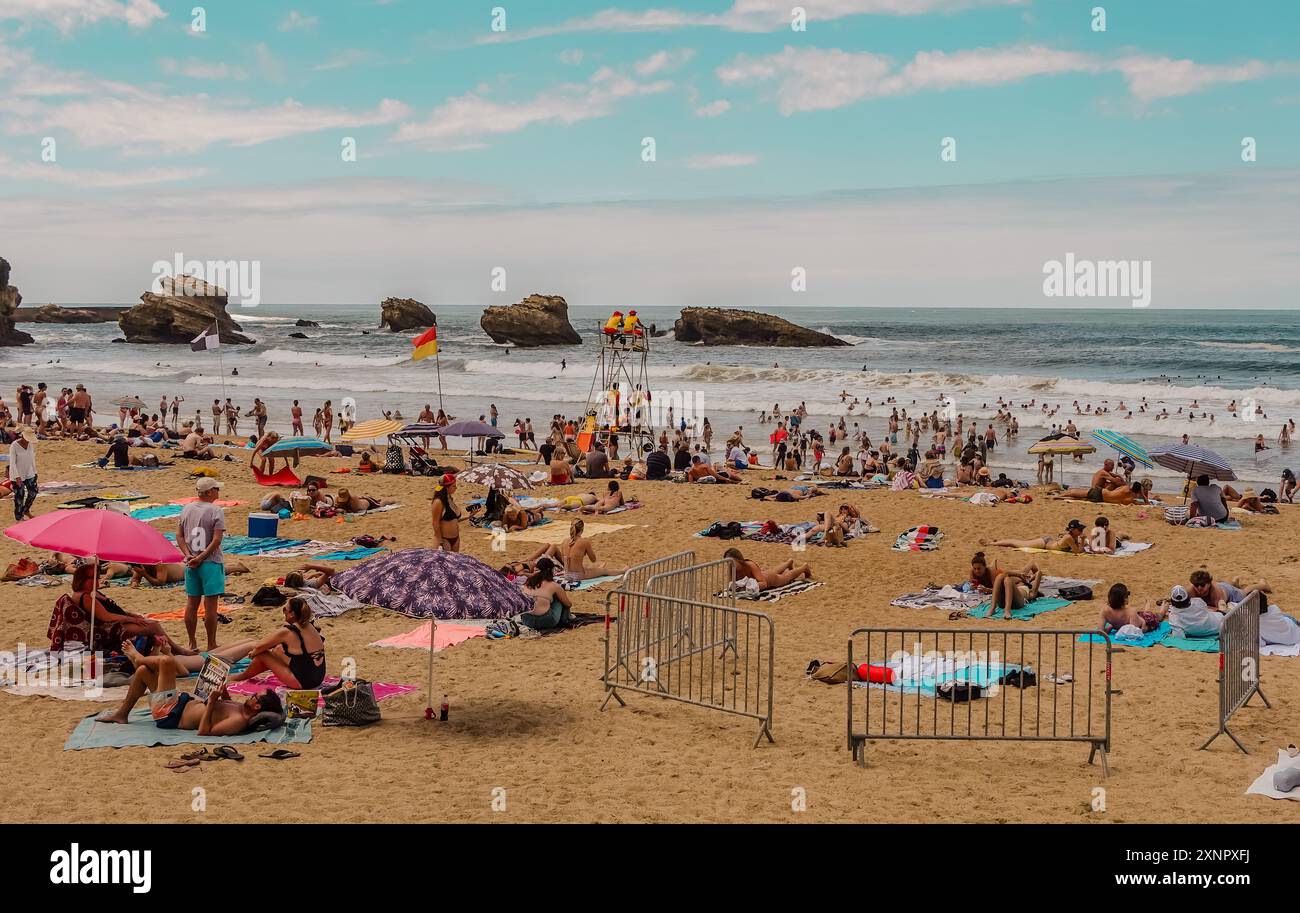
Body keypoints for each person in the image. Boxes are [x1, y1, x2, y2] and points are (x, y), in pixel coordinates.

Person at [96, 639, 281, 733]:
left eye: (255, 697)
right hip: (179, 703)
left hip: (170, 715)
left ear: (257, 706)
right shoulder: (241, 709)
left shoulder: (239, 720)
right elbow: (223, 707)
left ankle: (138, 657)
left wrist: (211, 703)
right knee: (144, 672)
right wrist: (222, 692)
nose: (251, 696)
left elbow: (205, 732)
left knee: (167, 661)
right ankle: (122, 714)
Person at [66, 564, 194, 654]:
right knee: (153, 626)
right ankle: (177, 650)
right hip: (109, 628)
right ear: (84, 579)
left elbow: (111, 610)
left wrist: (132, 615)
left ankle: (170, 649)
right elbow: (106, 617)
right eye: (94, 577)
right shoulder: (86, 596)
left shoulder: (91, 592)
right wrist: (131, 619)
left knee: (147, 622)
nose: (98, 578)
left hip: (114, 622)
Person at [227, 597, 327, 690]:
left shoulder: (288, 631)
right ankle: (248, 673)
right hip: (318, 677)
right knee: (277, 650)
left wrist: (254, 652)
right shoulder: (310, 626)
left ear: (292, 614)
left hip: (303, 682)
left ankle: (241, 676)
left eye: (285, 609)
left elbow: (259, 645)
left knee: (263, 654)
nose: (283, 612)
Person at [178, 477, 227, 652]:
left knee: (192, 603)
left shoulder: (186, 508)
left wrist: (188, 555)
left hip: (191, 562)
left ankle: (192, 642)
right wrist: (201, 556)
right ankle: (211, 643)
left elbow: (179, 536)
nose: (218, 492)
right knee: (210, 606)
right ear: (209, 492)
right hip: (210, 562)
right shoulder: (216, 511)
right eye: (216, 489)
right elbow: (216, 540)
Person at [528, 519, 625, 580]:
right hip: (578, 576)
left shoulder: (565, 541)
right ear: (582, 530)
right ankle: (623, 571)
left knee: (589, 567)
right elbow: (593, 559)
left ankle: (598, 569)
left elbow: (565, 559)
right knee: (605, 571)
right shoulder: (584, 542)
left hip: (567, 574)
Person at [517, 558, 574, 631]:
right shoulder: (553, 585)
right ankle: (565, 620)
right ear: (550, 570)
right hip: (547, 621)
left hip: (527, 620)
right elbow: (568, 604)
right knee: (559, 599)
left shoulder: (528, 583)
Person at [723, 547, 811, 592]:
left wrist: (747, 587)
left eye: (731, 562)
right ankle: (788, 563)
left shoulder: (750, 565)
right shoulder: (732, 568)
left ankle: (804, 567)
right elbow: (732, 583)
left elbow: (764, 584)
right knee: (773, 571)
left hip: (769, 579)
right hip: (762, 574)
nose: (729, 564)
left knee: (786, 577)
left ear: (738, 560)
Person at [981, 519, 1087, 553]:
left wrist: (1081, 540)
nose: (1082, 531)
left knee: (1018, 542)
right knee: (1017, 544)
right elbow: (1077, 552)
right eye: (1080, 529)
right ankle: (992, 543)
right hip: (1044, 544)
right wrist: (1082, 541)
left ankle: (997, 541)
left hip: (1049, 542)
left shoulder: (1073, 536)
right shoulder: (1069, 537)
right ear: (1073, 530)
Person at [1101, 582, 1166, 633]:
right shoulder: (1131, 612)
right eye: (1127, 595)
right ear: (1125, 599)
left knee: (1152, 615)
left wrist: (1112, 626)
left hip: (1143, 619)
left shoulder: (1104, 611)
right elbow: (1136, 632)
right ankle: (1164, 604)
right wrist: (1111, 627)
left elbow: (1100, 631)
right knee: (1155, 616)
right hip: (1144, 619)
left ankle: (1164, 605)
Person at [7, 425, 37, 521]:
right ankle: (19, 516)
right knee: (19, 496)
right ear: (23, 435)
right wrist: (16, 476)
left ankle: (26, 510)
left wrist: (35, 472)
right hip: (17, 474)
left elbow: (32, 459)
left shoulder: (30, 445)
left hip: (29, 472)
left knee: (33, 492)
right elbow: (12, 462)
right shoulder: (14, 446)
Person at [431, 472, 462, 552]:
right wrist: (440, 543)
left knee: (454, 564)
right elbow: (435, 523)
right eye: (453, 486)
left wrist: (470, 516)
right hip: (444, 540)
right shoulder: (438, 502)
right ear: (446, 487)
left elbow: (453, 520)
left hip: (456, 539)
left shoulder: (450, 499)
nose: (456, 488)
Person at [1053, 481, 1149, 505]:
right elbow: (1146, 503)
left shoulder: (1125, 488)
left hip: (1101, 493)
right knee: (1079, 497)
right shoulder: (1130, 500)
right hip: (1100, 498)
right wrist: (1143, 495)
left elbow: (1115, 489)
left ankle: (1061, 496)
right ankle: (1061, 497)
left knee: (1075, 493)